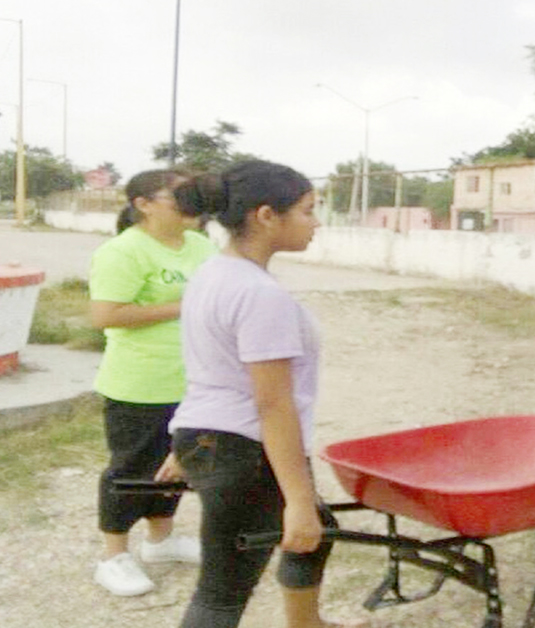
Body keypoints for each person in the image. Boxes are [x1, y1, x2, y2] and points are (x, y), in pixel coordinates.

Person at [156, 161, 366, 628]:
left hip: (211, 436)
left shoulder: (214, 273)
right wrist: (296, 499)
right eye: (308, 211)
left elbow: (211, 368)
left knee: (318, 529)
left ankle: (305, 624)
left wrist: (190, 442)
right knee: (221, 593)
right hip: (244, 448)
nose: (317, 223)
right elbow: (272, 403)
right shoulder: (258, 294)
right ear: (267, 215)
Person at [89, 169, 217, 596]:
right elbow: (106, 315)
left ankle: (161, 541)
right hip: (139, 383)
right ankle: (113, 556)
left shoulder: (201, 245)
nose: (189, 204)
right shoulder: (123, 252)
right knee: (131, 469)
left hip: (191, 381)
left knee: (177, 464)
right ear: (143, 204)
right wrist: (183, 306)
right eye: (178, 196)